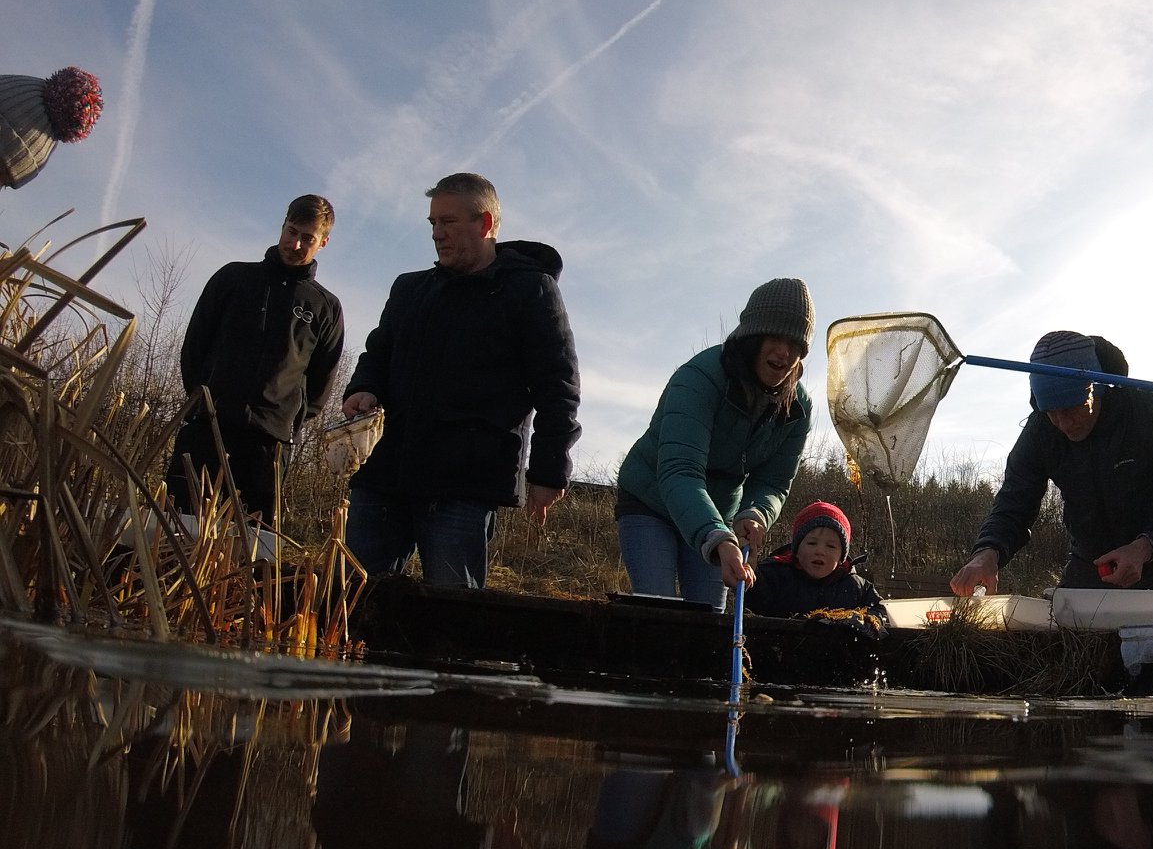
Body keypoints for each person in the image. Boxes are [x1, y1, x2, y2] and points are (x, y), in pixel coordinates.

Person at [341, 173, 581, 588]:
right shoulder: (409, 288)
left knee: (453, 615)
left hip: (465, 483)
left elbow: (558, 386)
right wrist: (363, 388)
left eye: (448, 222)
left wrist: (547, 470)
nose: (437, 234)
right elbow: (377, 354)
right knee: (347, 602)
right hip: (383, 474)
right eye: (432, 223)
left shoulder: (530, 291)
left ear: (485, 224)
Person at [948, 331, 1153, 609]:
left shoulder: (1151, 414)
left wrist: (1144, 548)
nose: (1063, 423)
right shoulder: (1041, 432)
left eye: (1072, 409)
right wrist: (987, 553)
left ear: (1097, 389)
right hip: (1090, 566)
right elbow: (1014, 503)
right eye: (1051, 412)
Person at [614, 279, 815, 611]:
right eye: (775, 338)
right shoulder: (698, 379)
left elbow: (774, 482)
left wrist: (755, 513)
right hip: (651, 500)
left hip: (720, 514)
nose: (784, 353)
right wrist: (718, 538)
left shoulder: (797, 409)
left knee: (709, 618)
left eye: (795, 344)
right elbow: (680, 471)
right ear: (753, 336)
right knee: (657, 609)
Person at [166, 194, 345, 521]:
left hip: (269, 447)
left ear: (324, 242)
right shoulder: (233, 278)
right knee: (174, 530)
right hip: (207, 428)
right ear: (282, 226)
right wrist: (201, 400)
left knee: (248, 550)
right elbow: (194, 347)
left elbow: (321, 381)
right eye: (292, 232)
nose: (295, 244)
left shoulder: (325, 307)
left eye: (308, 238)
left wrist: (286, 421)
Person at [747, 501, 887, 623]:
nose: (820, 551)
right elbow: (754, 599)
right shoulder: (776, 574)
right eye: (812, 543)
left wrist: (867, 621)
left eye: (831, 546)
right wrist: (750, 569)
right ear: (796, 550)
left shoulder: (855, 586)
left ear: (841, 557)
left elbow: (880, 609)